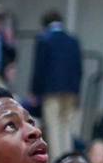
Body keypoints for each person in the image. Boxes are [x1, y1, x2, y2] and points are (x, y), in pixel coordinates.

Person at [31, 11, 84, 154]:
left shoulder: (44, 40)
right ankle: (67, 156)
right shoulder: (73, 40)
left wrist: (35, 91)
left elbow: (39, 68)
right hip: (71, 90)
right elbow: (79, 69)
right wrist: (77, 92)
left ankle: (57, 161)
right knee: (66, 126)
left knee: (53, 125)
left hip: (51, 90)